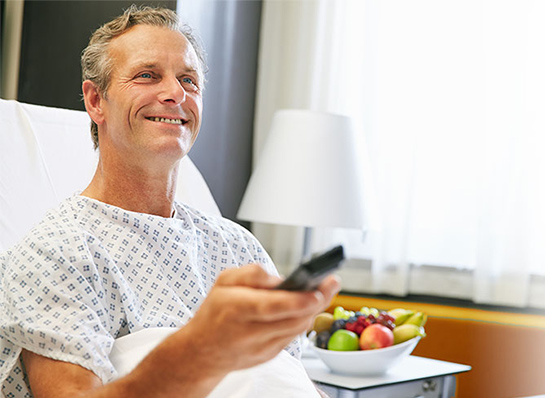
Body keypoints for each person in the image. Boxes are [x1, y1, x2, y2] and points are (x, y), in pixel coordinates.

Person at [0, 5, 340, 398]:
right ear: (95, 101)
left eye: (189, 80)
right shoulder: (55, 254)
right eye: (147, 75)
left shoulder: (238, 247)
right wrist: (204, 349)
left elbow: (283, 377)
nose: (175, 93)